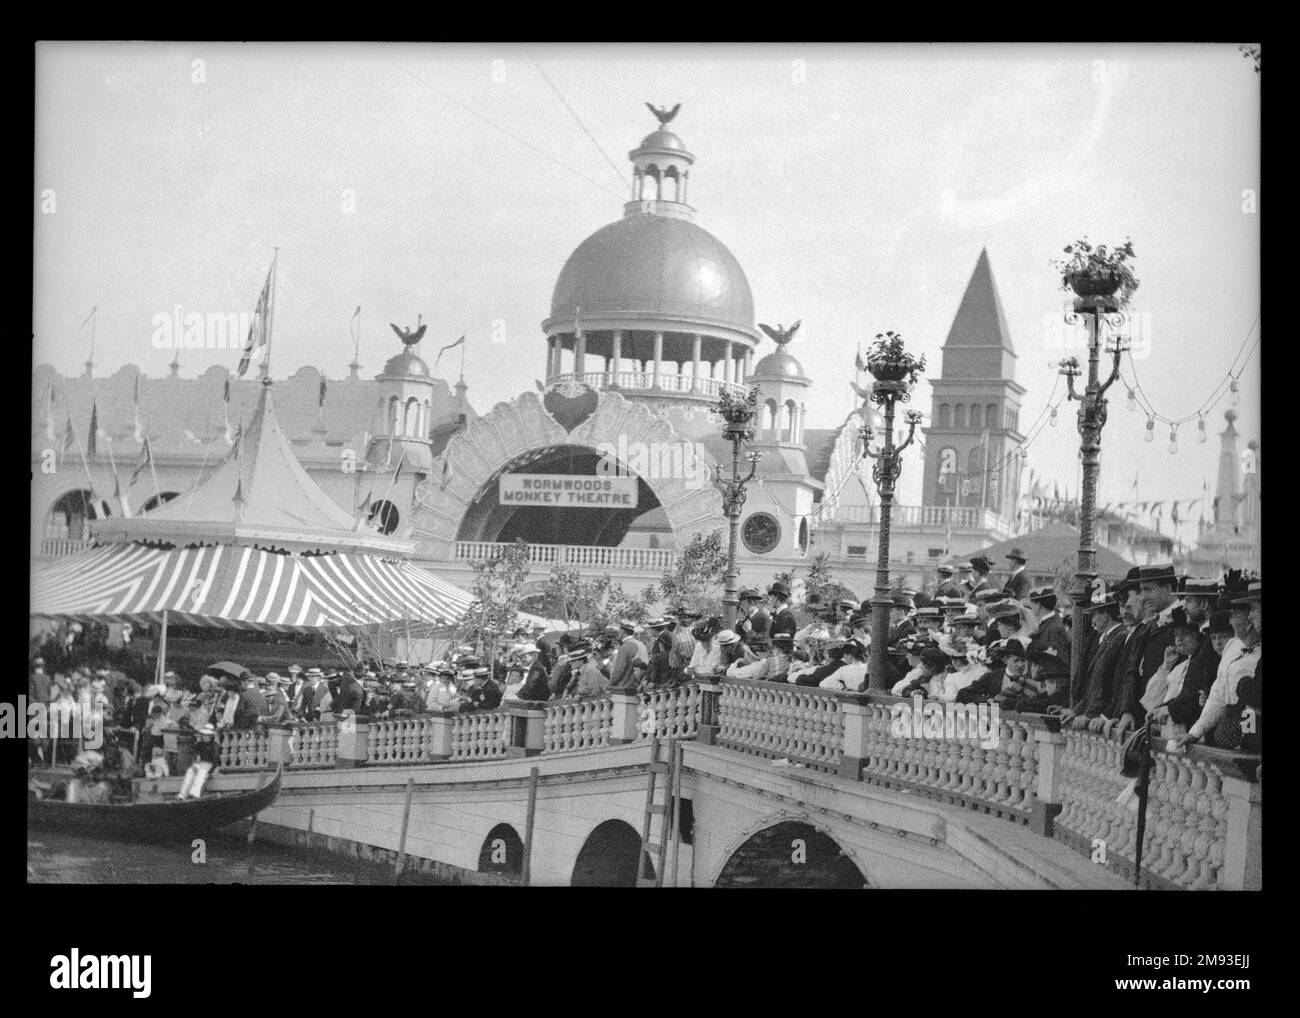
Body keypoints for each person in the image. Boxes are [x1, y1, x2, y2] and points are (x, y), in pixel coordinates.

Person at [177, 724, 220, 799]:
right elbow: (196, 757)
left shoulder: (215, 746)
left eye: (207, 735)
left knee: (201, 774)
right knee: (190, 772)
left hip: (211, 767)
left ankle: (195, 794)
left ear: (210, 736)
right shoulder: (199, 745)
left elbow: (215, 761)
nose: (205, 737)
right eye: (204, 735)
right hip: (201, 765)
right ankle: (182, 795)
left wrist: (210, 771)